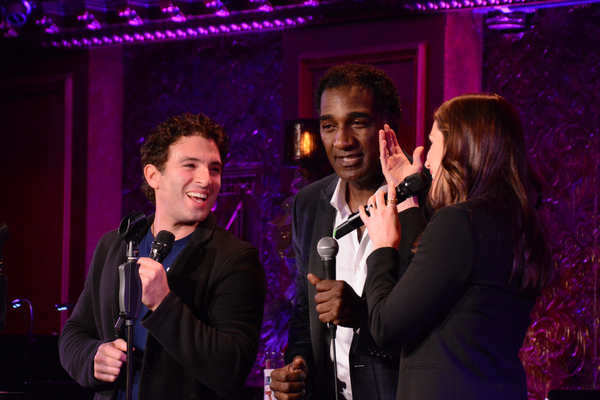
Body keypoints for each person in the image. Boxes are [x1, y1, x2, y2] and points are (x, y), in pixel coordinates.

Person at [58, 113, 267, 400]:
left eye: (214, 168)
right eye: (190, 165)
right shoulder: (114, 245)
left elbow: (231, 369)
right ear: (153, 175)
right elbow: (75, 332)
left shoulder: (235, 259)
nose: (206, 179)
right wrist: (92, 357)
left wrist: (163, 303)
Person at [359, 93, 553, 399]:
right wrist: (408, 199)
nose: (429, 157)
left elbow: (386, 326)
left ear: (460, 147)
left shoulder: (460, 223)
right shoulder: (521, 224)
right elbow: (424, 284)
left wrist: (383, 247)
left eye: (434, 142)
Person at [270, 64, 427, 400]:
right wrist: (297, 365)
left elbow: (431, 326)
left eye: (358, 122)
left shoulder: (423, 206)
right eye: (329, 126)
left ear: (388, 128)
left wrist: (362, 316)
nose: (342, 141)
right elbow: (305, 311)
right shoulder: (308, 203)